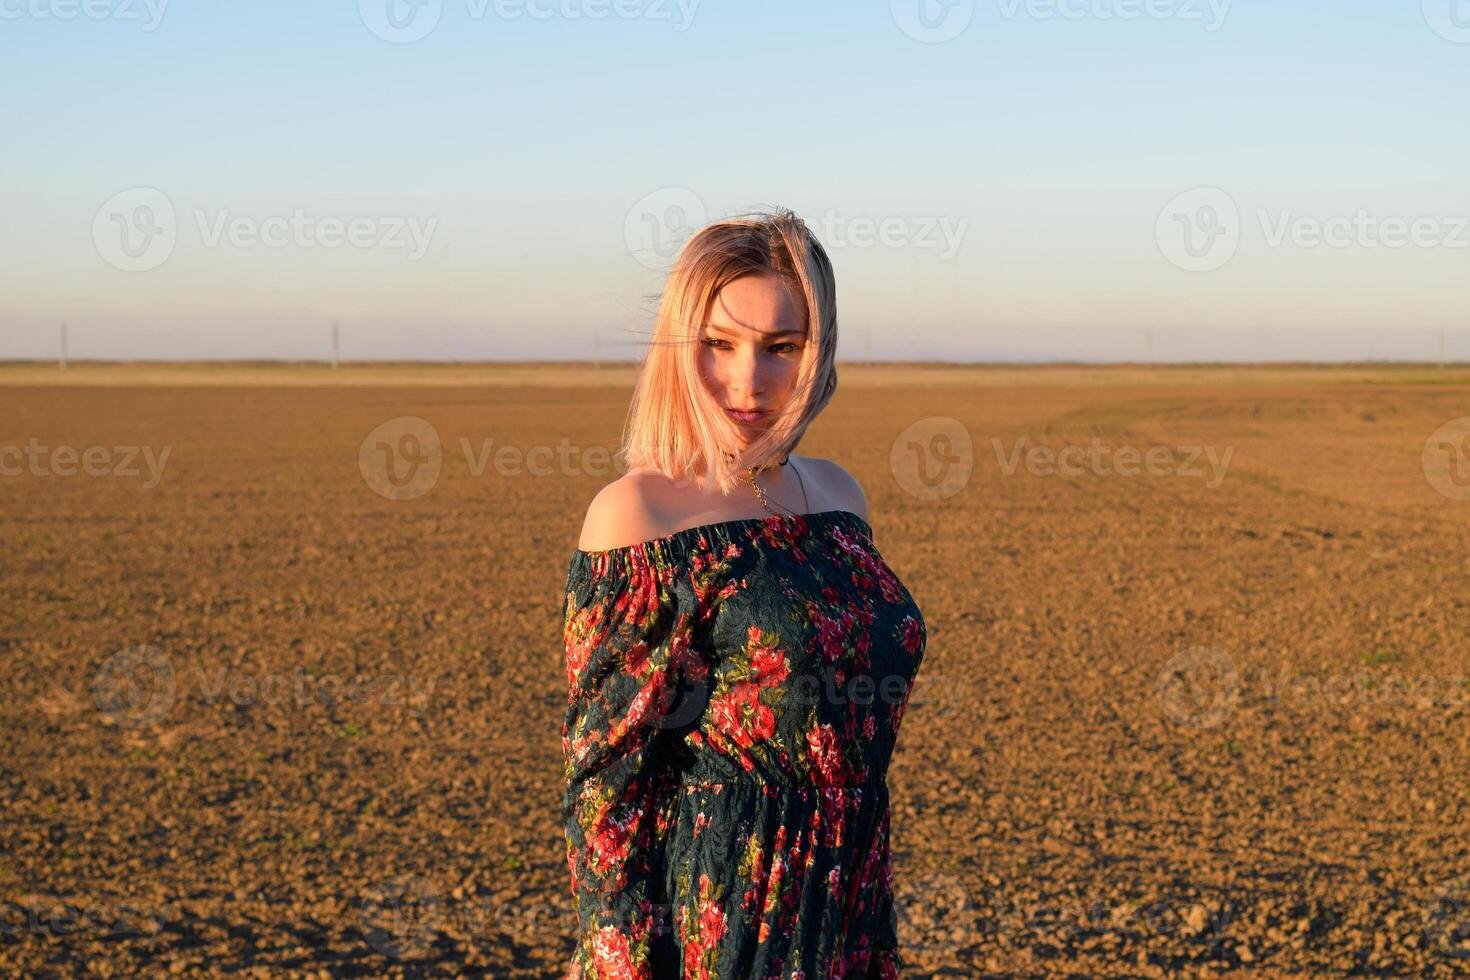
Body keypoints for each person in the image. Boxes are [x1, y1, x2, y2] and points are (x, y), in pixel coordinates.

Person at [561, 207, 927, 978]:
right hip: (731, 917)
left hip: (850, 895)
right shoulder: (641, 518)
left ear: (818, 353)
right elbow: (607, 791)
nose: (746, 380)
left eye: (781, 348)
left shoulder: (837, 495)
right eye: (718, 345)